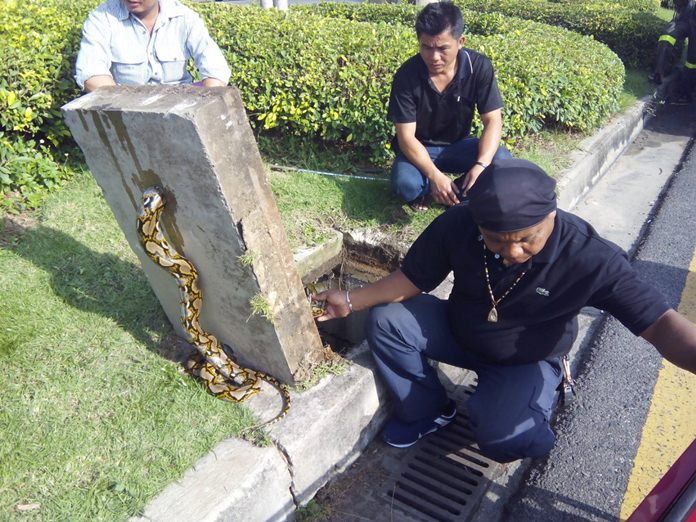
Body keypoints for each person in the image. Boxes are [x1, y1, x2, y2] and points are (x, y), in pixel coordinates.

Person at [314, 158, 696, 463]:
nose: (511, 252)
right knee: (387, 320)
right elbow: (411, 279)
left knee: (508, 439)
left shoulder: (590, 257)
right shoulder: (459, 224)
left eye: (526, 240)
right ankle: (428, 410)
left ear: (551, 216)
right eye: (496, 240)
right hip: (459, 331)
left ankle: (532, 396)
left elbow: (660, 323)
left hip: (527, 358)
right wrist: (350, 301)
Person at [387, 2, 512, 211]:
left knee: (501, 160)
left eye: (442, 48)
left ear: (460, 41)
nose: (434, 57)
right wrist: (435, 175)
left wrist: (481, 166)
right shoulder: (406, 75)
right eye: (426, 47)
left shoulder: (479, 67)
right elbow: (406, 138)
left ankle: (454, 190)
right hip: (420, 146)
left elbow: (493, 120)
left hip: (459, 145)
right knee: (405, 185)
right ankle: (446, 190)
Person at [75, 0, 231, 92]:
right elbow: (91, 74)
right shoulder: (102, 18)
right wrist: (127, 109)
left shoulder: (185, 18)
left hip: (179, 113)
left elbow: (216, 71)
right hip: (124, 115)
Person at [649, 0, 695, 101]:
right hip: (687, 16)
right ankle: (659, 73)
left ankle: (688, 91)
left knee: (692, 60)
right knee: (667, 36)